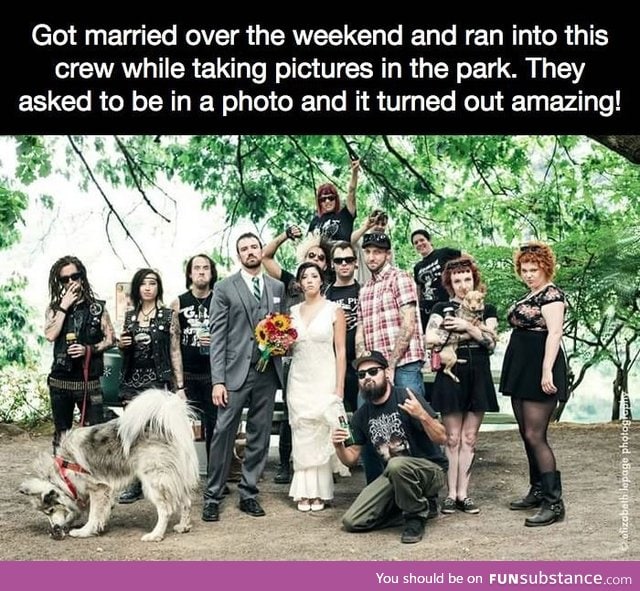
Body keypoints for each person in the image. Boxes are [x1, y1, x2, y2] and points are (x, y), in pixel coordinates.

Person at [202, 232, 285, 522]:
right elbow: (218, 338)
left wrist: (281, 342)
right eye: (244, 249)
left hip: (267, 373)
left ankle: (249, 492)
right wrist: (218, 380)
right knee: (224, 432)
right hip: (234, 373)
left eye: (254, 246)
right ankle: (213, 495)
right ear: (239, 256)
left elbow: (283, 327)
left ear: (261, 251)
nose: (250, 252)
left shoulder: (277, 287)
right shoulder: (224, 288)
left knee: (259, 435)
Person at [331, 350, 447, 544]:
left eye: (373, 371)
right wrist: (338, 446)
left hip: (430, 472)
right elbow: (351, 459)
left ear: (386, 373)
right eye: (361, 375)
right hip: (395, 476)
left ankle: (415, 517)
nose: (367, 377)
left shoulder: (407, 397)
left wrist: (423, 416)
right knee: (352, 521)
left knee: (396, 464)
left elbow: (443, 437)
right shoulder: (362, 415)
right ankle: (420, 507)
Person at [500, 241, 568, 527]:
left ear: (545, 268)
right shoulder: (532, 294)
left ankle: (554, 503)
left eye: (534, 269)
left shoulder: (552, 295)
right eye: (524, 269)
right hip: (521, 368)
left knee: (536, 434)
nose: (528, 274)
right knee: (525, 433)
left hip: (540, 368)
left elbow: (554, 334)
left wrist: (546, 370)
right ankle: (538, 489)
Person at [425, 257, 499, 515]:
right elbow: (430, 338)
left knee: (470, 437)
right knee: (452, 438)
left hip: (478, 372)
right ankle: (450, 494)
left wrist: (466, 326)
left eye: (467, 279)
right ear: (450, 283)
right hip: (452, 372)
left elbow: (491, 343)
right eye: (457, 280)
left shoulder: (487, 309)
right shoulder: (442, 307)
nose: (463, 285)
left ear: (474, 279)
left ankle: (464, 495)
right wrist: (472, 333)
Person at [262, 228, 331, 485]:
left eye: (321, 258)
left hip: (322, 360)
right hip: (294, 359)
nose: (315, 260)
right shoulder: (292, 281)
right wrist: (283, 236)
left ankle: (322, 465)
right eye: (310, 255)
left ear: (326, 265)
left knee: (320, 413)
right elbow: (266, 257)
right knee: (294, 412)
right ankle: (285, 463)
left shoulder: (331, 290)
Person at [356, 231, 425, 483]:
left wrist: (392, 365)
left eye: (377, 251)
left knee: (413, 425)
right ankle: (377, 491)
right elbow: (361, 330)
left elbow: (409, 324)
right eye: (368, 251)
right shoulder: (365, 289)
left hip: (404, 365)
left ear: (387, 253)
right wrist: (362, 365)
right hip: (374, 371)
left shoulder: (401, 279)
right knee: (370, 428)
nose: (372, 256)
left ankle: (422, 491)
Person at [117, 267, 184, 503]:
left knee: (159, 435)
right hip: (132, 381)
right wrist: (122, 345)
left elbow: (175, 351)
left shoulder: (168, 315)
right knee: (132, 433)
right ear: (137, 288)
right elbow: (123, 348)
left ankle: (161, 481)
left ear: (158, 287)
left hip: (158, 381)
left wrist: (180, 386)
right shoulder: (128, 316)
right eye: (143, 283)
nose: (148, 287)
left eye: (152, 283)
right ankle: (135, 483)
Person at [287, 262, 346, 512]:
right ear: (299, 283)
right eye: (304, 277)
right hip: (299, 377)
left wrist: (339, 387)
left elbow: (341, 351)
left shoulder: (335, 310)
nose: (309, 280)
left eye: (314, 276)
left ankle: (320, 492)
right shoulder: (291, 312)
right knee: (302, 430)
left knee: (322, 429)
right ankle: (303, 491)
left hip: (325, 375)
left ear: (322, 280)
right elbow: (287, 346)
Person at [44, 256, 115, 454]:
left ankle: (96, 480)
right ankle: (61, 478)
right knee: (62, 435)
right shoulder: (54, 308)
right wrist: (64, 306)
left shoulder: (97, 308)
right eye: (64, 279)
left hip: (89, 382)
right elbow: (50, 334)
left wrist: (88, 350)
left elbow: (111, 339)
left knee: (97, 436)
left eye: (74, 276)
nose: (70, 282)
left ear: (82, 276)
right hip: (60, 383)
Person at [171, 254, 218, 460]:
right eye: (196, 268)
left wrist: (214, 340)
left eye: (205, 267)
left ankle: (216, 478)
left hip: (213, 376)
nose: (201, 271)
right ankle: (182, 476)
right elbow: (173, 345)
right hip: (188, 374)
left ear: (211, 272)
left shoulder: (220, 299)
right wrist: (179, 384)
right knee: (180, 431)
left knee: (215, 428)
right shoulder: (178, 303)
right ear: (190, 273)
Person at [324, 240, 360, 412]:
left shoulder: (365, 291)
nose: (344, 263)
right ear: (332, 264)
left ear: (355, 262)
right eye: (339, 260)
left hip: (360, 364)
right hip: (332, 366)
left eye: (348, 259)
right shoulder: (325, 295)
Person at [411, 229, 461, 332]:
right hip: (426, 310)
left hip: (445, 305)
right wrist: (417, 307)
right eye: (416, 243)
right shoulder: (417, 267)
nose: (419, 244)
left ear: (429, 240)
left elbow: (467, 259)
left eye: (422, 240)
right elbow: (419, 289)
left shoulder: (443, 253)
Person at [308, 159, 360, 243]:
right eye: (323, 199)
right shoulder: (315, 221)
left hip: (342, 253)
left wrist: (354, 172)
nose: (327, 201)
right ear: (319, 202)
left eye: (331, 198)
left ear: (336, 199)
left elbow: (351, 191)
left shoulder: (345, 214)